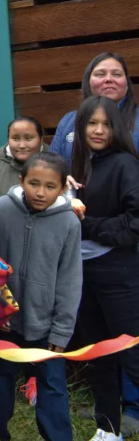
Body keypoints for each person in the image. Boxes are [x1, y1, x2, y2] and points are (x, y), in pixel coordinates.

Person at [0, 152, 79, 441]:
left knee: (52, 388)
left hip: (46, 326)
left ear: (63, 187)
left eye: (50, 186)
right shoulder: (0, 209)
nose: (40, 192)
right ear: (21, 180)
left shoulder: (69, 223)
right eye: (34, 183)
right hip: (4, 324)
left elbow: (70, 280)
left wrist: (62, 329)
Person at [68, 96, 139, 441]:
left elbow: (133, 224)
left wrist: (89, 224)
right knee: (99, 356)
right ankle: (108, 430)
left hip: (118, 273)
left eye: (106, 124)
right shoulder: (78, 166)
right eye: (90, 123)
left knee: (133, 354)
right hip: (83, 274)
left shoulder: (125, 164)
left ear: (118, 128)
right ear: (79, 128)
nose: (98, 130)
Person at [51, 52, 139, 165]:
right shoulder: (68, 121)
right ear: (88, 81)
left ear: (127, 83)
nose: (108, 79)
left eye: (116, 74)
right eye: (100, 74)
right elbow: (51, 167)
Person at [0, 116, 47, 196]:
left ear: (41, 139)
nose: (22, 145)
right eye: (15, 139)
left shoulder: (55, 165)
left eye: (28, 138)